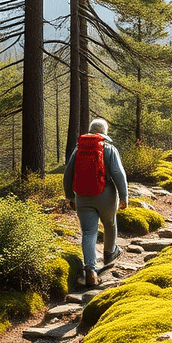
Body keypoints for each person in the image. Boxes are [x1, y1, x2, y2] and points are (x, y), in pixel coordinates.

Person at [63, 118, 129, 287]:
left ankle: (90, 271)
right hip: (105, 194)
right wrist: (124, 197)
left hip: (82, 196)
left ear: (90, 130)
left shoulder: (78, 149)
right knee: (109, 223)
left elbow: (67, 175)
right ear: (105, 132)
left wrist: (70, 196)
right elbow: (118, 174)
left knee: (88, 232)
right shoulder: (109, 148)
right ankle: (109, 253)